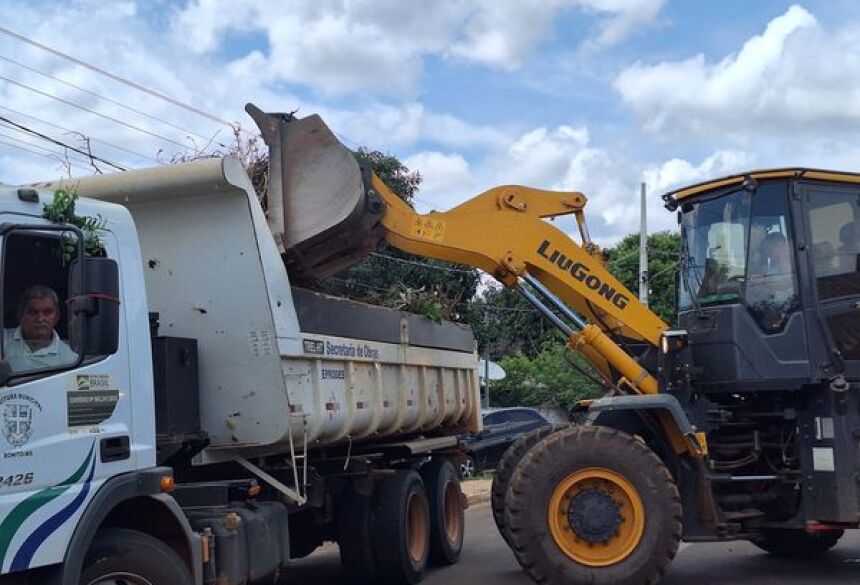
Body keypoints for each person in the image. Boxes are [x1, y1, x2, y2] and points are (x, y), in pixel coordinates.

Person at [3, 285, 77, 373]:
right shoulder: (3, 340)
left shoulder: (70, 358)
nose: (40, 319)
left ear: (56, 318)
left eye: (47, 312)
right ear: (20, 316)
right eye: (33, 312)